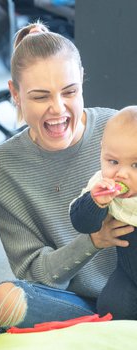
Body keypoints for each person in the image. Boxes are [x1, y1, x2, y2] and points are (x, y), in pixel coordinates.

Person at [0, 21, 134, 331]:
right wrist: (93, 241)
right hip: (72, 303)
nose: (58, 108)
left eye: (69, 92)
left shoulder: (118, 130)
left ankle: (103, 332)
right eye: (40, 97)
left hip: (131, 287)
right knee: (1, 300)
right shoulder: (1, 166)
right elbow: (32, 271)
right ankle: (105, 328)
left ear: (81, 83)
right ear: (15, 93)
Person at [70, 106, 137, 320]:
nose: (121, 174)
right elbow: (82, 223)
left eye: (136, 165)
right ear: (101, 151)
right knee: (110, 307)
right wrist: (95, 202)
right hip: (128, 274)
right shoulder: (101, 186)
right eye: (113, 162)